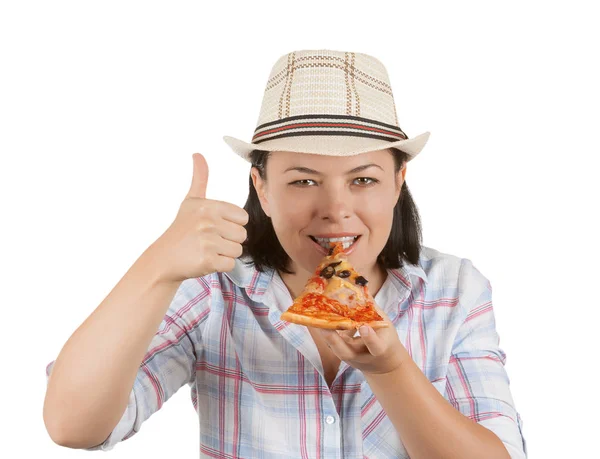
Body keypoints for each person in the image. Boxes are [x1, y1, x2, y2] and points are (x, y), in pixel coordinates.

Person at [43, 49, 527, 458]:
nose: (336, 210)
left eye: (363, 179)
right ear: (262, 188)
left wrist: (392, 371)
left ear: (398, 184)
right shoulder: (213, 287)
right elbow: (73, 427)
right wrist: (156, 267)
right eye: (303, 181)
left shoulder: (454, 290)